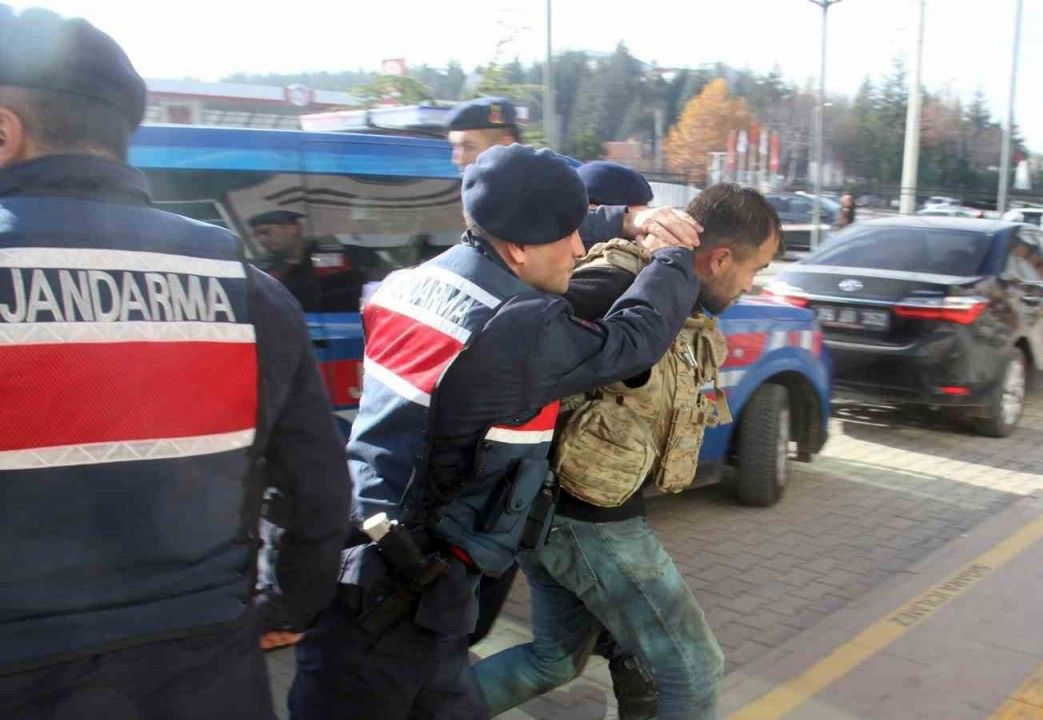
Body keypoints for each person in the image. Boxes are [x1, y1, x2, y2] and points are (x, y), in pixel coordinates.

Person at [0, 6, 352, 719]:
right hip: (208, 671)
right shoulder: (252, 293)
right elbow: (319, 496)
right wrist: (287, 606)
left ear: (5, 131)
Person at [287, 144, 701, 720]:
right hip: (396, 598)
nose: (579, 249)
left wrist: (629, 220)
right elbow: (634, 340)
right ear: (519, 247)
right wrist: (673, 259)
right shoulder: (516, 326)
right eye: (568, 235)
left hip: (378, 554)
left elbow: (533, 228)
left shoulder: (412, 280)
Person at [473, 183, 782, 719]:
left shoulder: (677, 294)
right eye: (755, 269)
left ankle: (424, 710)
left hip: (560, 517)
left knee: (554, 660)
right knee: (694, 667)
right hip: (584, 522)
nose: (751, 284)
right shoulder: (614, 282)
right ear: (720, 259)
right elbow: (511, 345)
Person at [445, 95, 697, 255]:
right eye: (455, 147)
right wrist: (627, 219)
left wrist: (630, 220)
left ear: (504, 144)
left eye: (467, 146)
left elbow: (551, 222)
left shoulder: (540, 191)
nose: (457, 158)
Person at [249, 209, 365, 312]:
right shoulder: (261, 269)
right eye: (257, 235)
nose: (261, 240)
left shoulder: (337, 256)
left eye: (265, 232)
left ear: (293, 229)